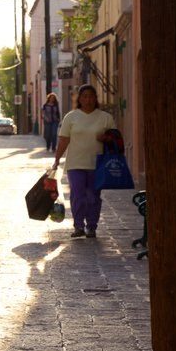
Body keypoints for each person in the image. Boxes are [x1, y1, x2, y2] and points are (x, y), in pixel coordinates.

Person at [52, 84, 116, 238]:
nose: (88, 100)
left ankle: (92, 226)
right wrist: (57, 159)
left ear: (96, 98)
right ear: (79, 99)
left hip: (97, 164)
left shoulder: (105, 118)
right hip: (75, 163)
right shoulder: (71, 117)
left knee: (93, 197)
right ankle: (78, 226)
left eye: (91, 96)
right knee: (77, 195)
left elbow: (116, 139)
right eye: (85, 96)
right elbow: (64, 140)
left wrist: (106, 138)